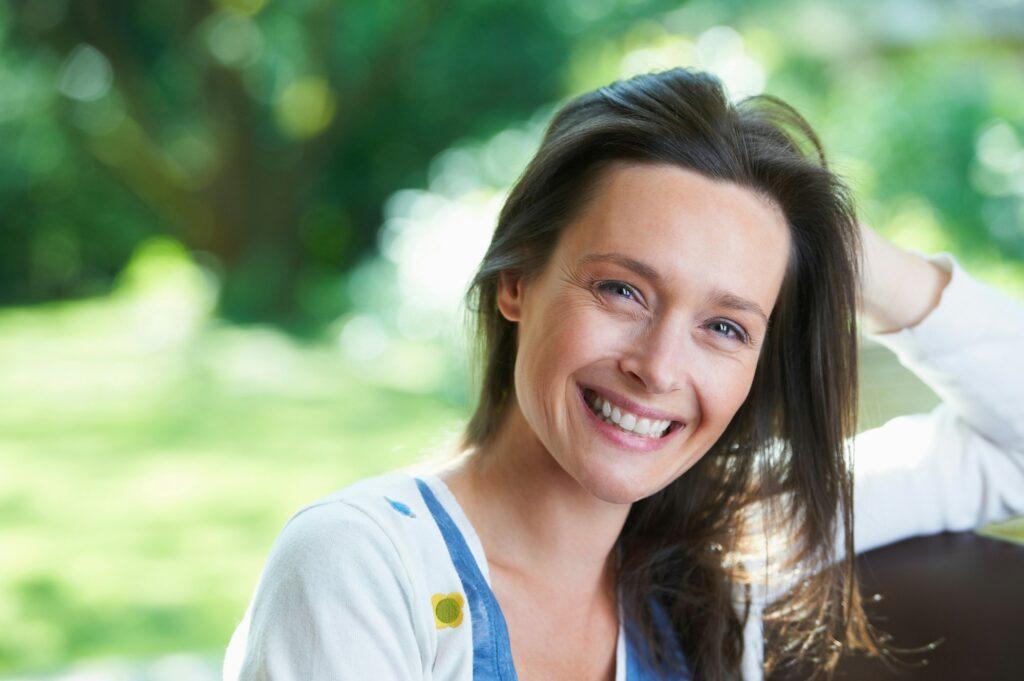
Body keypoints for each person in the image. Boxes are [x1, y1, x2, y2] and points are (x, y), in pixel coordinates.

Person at [221, 68, 1024, 680]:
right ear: (517, 281)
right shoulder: (364, 567)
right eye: (621, 289)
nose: (658, 366)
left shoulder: (731, 548)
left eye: (724, 325)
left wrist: (841, 250)